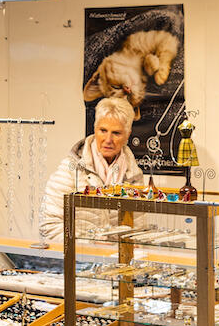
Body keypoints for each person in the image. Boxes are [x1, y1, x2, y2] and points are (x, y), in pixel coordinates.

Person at [38, 94, 143, 247]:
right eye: (103, 130)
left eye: (116, 133)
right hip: (79, 262)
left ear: (127, 135)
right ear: (94, 129)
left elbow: (137, 230)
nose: (108, 140)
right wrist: (90, 246)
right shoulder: (71, 169)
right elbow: (49, 226)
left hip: (117, 265)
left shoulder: (133, 174)